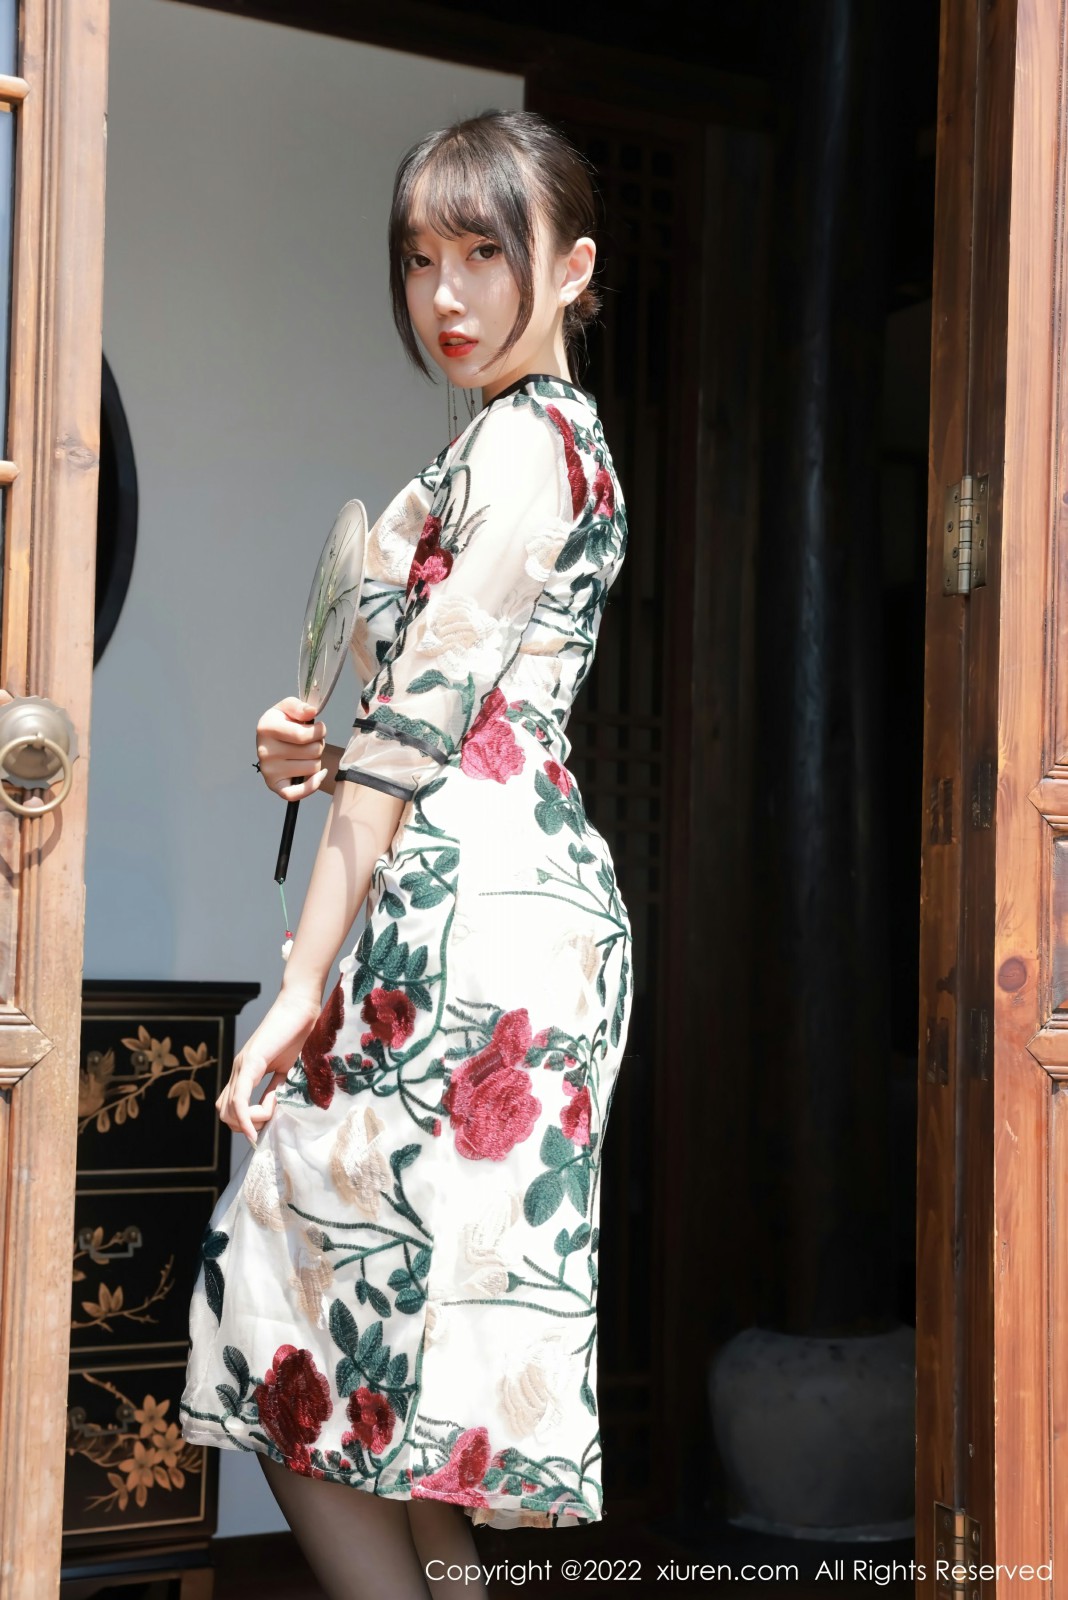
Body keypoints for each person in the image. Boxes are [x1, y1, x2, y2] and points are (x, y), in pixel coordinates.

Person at [179, 108, 633, 1600]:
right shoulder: (500, 445)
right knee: (389, 1381)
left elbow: (417, 735)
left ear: (570, 268)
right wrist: (310, 754)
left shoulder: (529, 443)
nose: (445, 294)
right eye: (422, 258)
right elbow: (411, 728)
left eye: (483, 255)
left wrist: (298, 984)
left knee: (291, 1334)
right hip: (472, 894)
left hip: (468, 924)